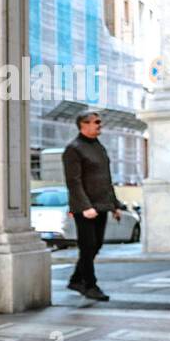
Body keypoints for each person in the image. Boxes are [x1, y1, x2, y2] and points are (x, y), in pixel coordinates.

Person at [62, 111, 122, 302]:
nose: (99, 125)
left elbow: (107, 179)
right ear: (83, 124)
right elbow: (73, 181)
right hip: (85, 208)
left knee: (96, 245)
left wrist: (115, 205)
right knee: (87, 247)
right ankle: (90, 284)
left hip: (102, 205)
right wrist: (85, 206)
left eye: (99, 122)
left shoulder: (99, 147)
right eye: (96, 122)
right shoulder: (74, 148)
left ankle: (75, 279)